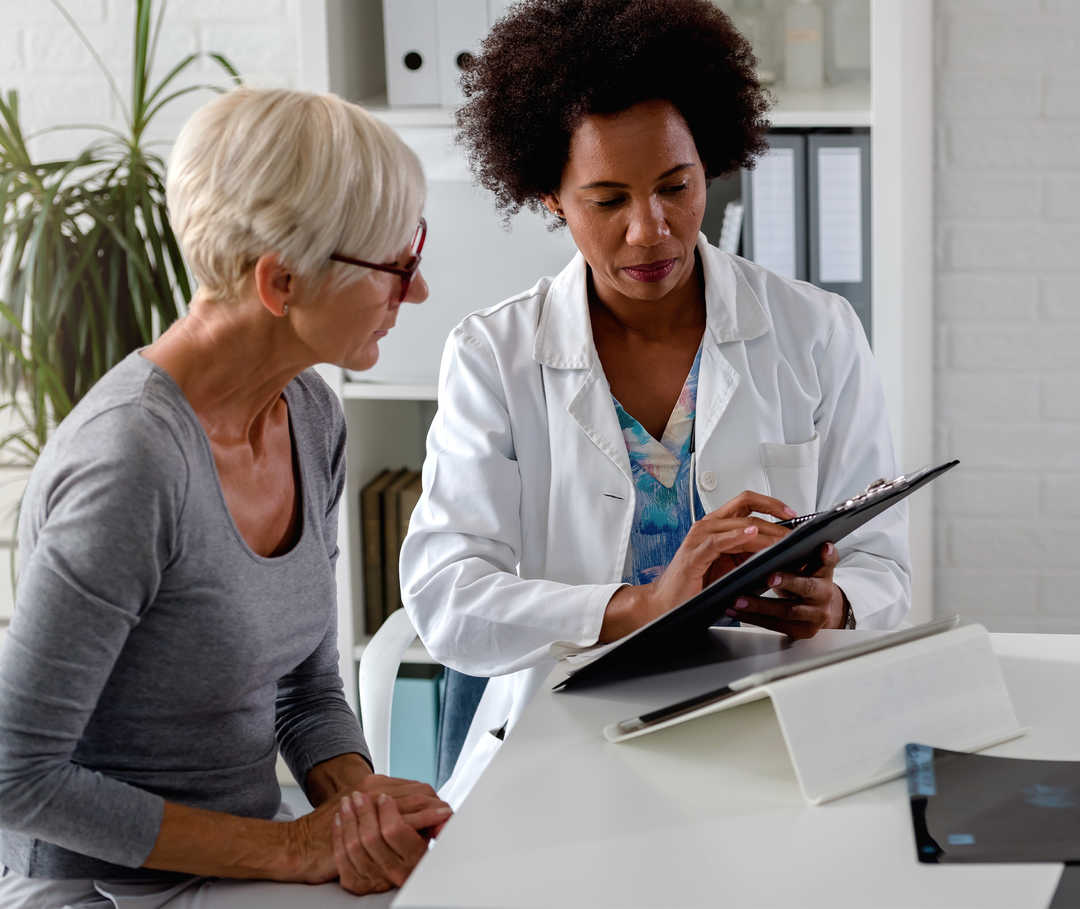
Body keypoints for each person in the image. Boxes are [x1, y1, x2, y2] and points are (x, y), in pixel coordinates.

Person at [400, 0, 911, 806]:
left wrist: (838, 601)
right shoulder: (493, 357)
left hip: (777, 734)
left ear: (710, 159)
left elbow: (886, 563)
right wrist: (641, 605)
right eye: (608, 200)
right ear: (549, 195)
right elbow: (448, 599)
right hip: (564, 750)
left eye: (677, 186)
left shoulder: (817, 332)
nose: (652, 230)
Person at [0, 88, 451, 906]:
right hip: (101, 890)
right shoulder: (129, 466)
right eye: (397, 264)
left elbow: (306, 690)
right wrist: (290, 849)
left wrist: (356, 805)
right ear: (281, 282)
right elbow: (15, 775)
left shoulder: (310, 414)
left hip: (239, 862)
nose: (415, 292)